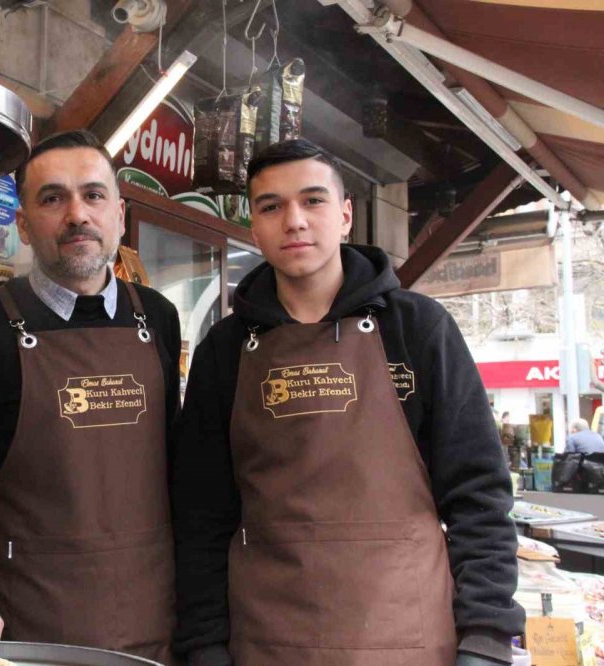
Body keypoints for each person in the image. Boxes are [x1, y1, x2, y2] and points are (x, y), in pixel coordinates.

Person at [172, 139, 523, 666]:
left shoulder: (418, 330)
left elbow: (479, 496)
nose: (294, 221)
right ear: (254, 227)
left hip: (408, 639)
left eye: (313, 200)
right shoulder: (224, 351)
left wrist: (488, 637)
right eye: (271, 206)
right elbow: (202, 515)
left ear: (345, 215)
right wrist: (204, 643)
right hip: (266, 641)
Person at [0, 130, 182, 664]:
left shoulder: (159, 318)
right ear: (23, 223)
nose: (77, 215)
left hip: (157, 625)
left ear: (119, 214)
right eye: (53, 198)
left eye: (93, 195)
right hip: (28, 631)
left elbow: (177, 469)